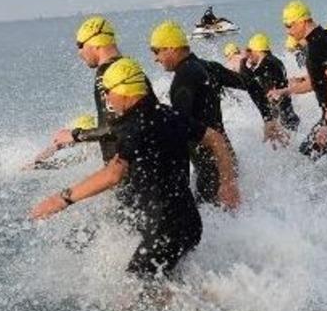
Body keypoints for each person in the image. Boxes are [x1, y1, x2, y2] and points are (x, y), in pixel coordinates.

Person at [29, 58, 239, 279]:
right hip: (190, 222)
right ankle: (212, 297)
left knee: (136, 289)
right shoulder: (167, 114)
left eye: (108, 91)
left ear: (124, 90)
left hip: (164, 228)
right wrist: (228, 182)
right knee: (160, 284)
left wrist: (62, 200)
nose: (107, 97)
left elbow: (113, 174)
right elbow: (215, 139)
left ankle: (216, 302)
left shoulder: (133, 127)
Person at [149, 21, 280, 203]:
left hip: (210, 168)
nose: (155, 58)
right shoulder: (208, 67)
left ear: (171, 48)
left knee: (212, 222)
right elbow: (250, 83)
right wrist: (268, 118)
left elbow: (181, 131)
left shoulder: (183, 79)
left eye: (156, 51)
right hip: (227, 159)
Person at [274, 0, 327, 160]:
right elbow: (318, 81)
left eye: (289, 25)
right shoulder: (322, 37)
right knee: (308, 158)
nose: (288, 31)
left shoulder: (319, 44)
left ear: (303, 21)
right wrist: (286, 91)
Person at [45, 17, 131, 168]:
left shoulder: (108, 75)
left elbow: (118, 128)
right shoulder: (128, 68)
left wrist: (75, 135)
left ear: (95, 42)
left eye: (80, 45)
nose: (79, 53)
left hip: (122, 173)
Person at [241, 33, 301, 132]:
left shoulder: (266, 64)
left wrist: (243, 61)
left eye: (250, 51)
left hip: (282, 117)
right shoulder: (275, 61)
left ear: (257, 50)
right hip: (287, 113)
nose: (250, 55)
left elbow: (247, 79)